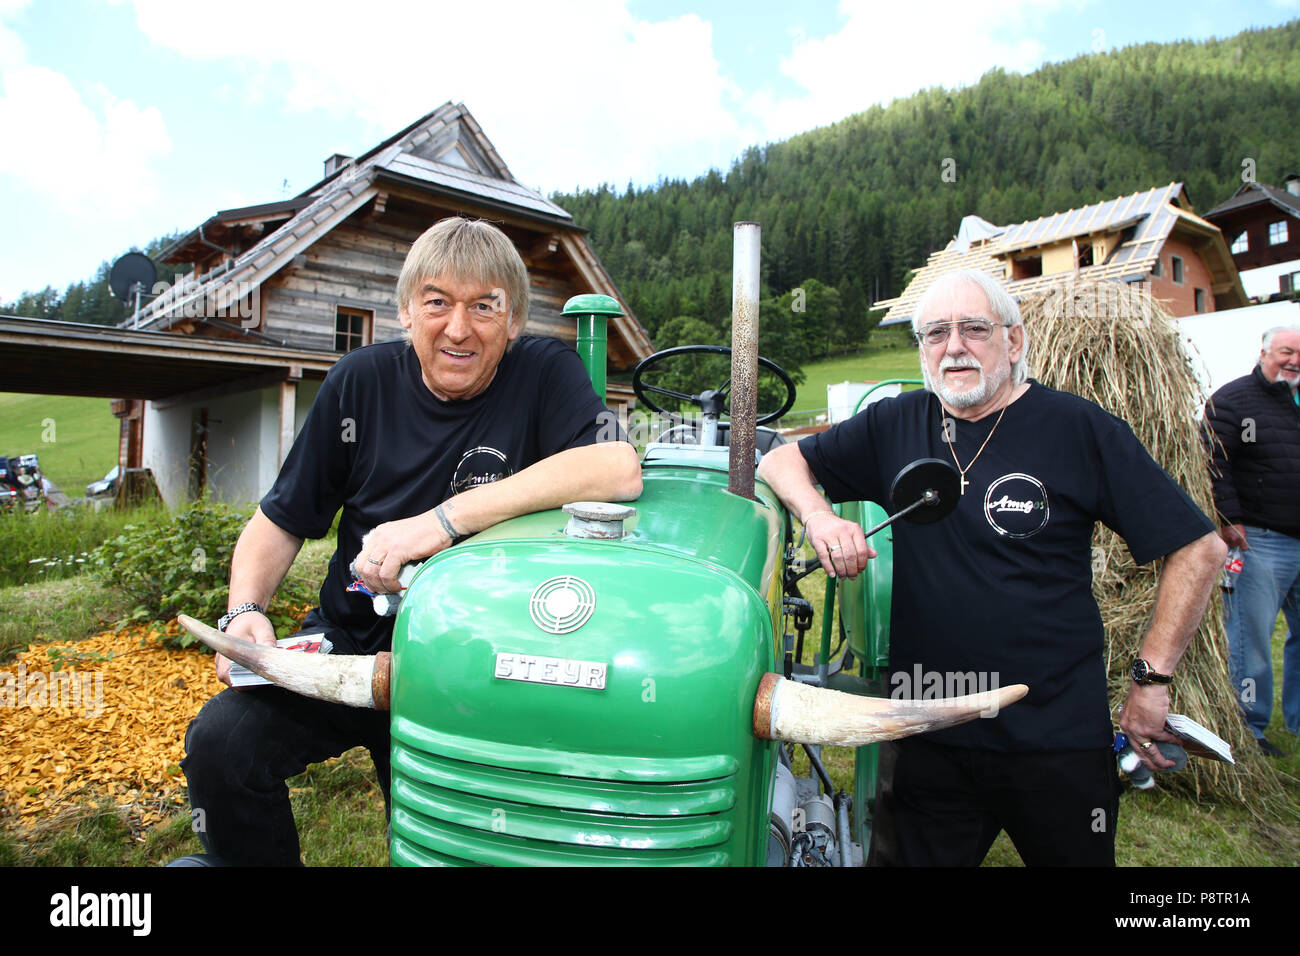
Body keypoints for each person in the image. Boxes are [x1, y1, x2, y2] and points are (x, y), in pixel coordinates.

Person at [179, 217, 641, 866]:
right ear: (405, 312)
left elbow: (615, 468)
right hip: (350, 651)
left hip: (470, 666)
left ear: (513, 322)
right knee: (222, 746)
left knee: (447, 840)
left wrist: (441, 523)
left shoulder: (542, 371)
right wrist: (245, 611)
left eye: (484, 306)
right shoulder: (358, 383)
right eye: (437, 302)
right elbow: (278, 521)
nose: (459, 328)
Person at [756, 269, 1224, 866]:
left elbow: (1198, 548)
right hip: (928, 730)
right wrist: (821, 517)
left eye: (975, 329)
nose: (954, 346)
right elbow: (781, 464)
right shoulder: (895, 424)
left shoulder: (1077, 429)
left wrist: (1151, 681)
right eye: (935, 333)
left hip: (1055, 736)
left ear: (1015, 341)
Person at [1204, 324, 1300, 758]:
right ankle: (1250, 727)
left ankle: (1297, 721)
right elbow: (1212, 459)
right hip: (1261, 540)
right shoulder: (1236, 400)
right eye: (1286, 352)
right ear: (1264, 352)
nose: (1294, 361)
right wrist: (1230, 518)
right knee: (1252, 639)